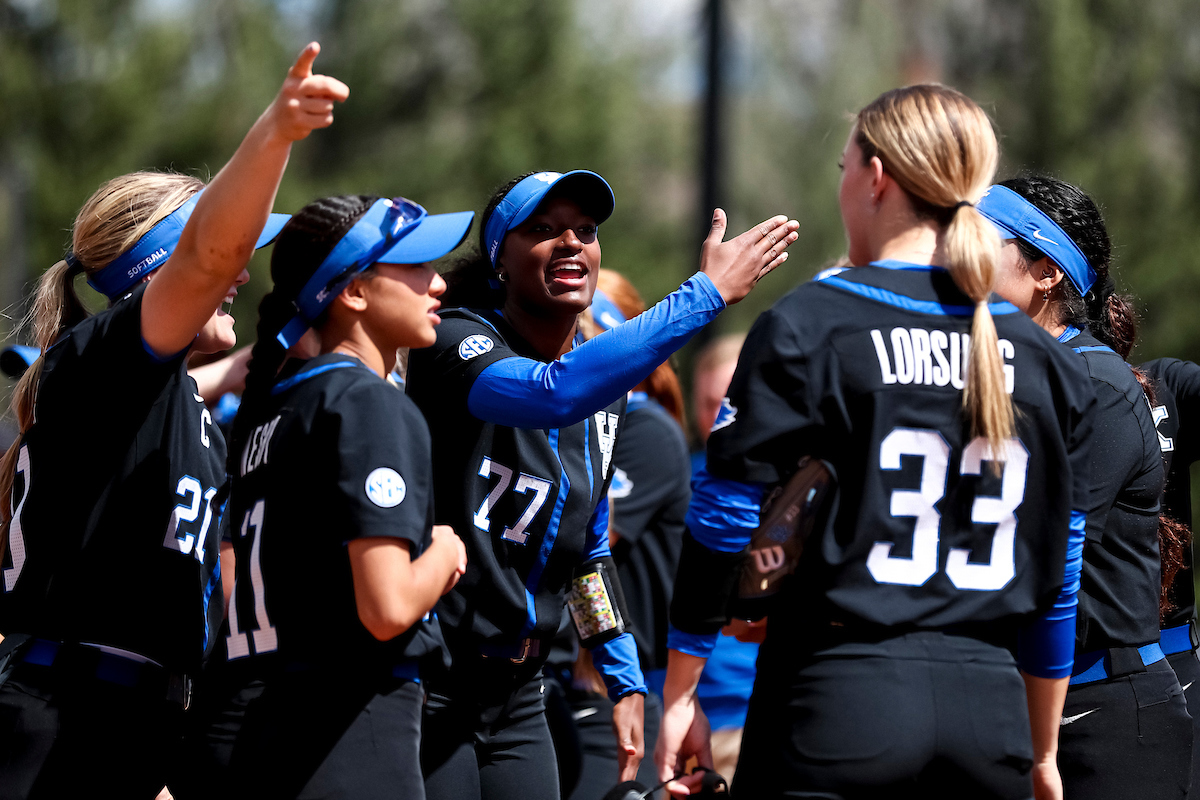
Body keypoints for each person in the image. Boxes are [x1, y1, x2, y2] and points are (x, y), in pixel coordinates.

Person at [656, 84, 1097, 800]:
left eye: (843, 168)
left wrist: (680, 692)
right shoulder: (1044, 355)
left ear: (878, 178)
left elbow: (727, 516)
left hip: (838, 690)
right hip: (989, 713)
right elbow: (1060, 569)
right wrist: (1041, 750)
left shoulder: (814, 323)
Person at [0, 43, 348, 799]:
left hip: (127, 716)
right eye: (228, 261)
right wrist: (274, 135)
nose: (241, 274)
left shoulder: (171, 391)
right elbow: (206, 260)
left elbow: (243, 357)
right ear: (157, 269)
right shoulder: (104, 363)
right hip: (71, 714)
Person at [406, 169, 798, 800]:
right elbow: (551, 392)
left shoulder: (605, 395)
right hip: (433, 682)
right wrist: (704, 293)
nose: (570, 243)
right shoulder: (454, 339)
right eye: (542, 229)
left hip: (521, 695)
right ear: (500, 257)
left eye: (584, 230)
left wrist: (624, 680)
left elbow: (587, 554)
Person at [213, 193, 472, 799]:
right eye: (414, 266)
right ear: (353, 291)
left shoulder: (273, 408)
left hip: (270, 719)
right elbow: (386, 608)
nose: (436, 284)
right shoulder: (366, 401)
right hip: (350, 726)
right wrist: (444, 553)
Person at [978, 175, 1192, 799]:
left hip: (1102, 715)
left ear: (1045, 272)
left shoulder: (1094, 384)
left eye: (974, 241)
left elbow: (1032, 562)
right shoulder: (985, 370)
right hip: (1019, 703)